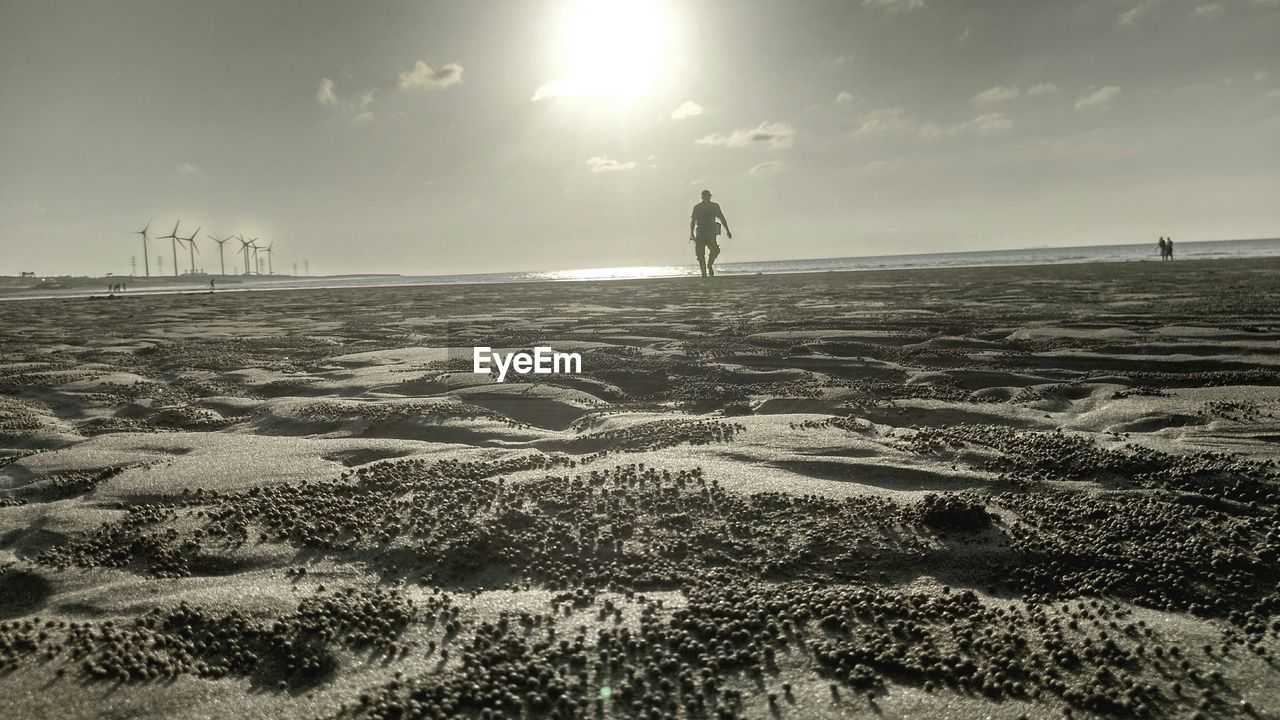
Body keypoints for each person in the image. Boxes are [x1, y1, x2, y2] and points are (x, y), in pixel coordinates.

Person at [689, 189, 732, 278]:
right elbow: (693, 221)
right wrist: (691, 233)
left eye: (708, 196)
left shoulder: (714, 206)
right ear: (703, 197)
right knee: (700, 253)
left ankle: (709, 265)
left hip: (710, 232)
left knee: (715, 250)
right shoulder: (698, 207)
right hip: (701, 232)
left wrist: (727, 230)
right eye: (706, 196)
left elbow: (722, 218)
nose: (707, 198)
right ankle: (704, 273)